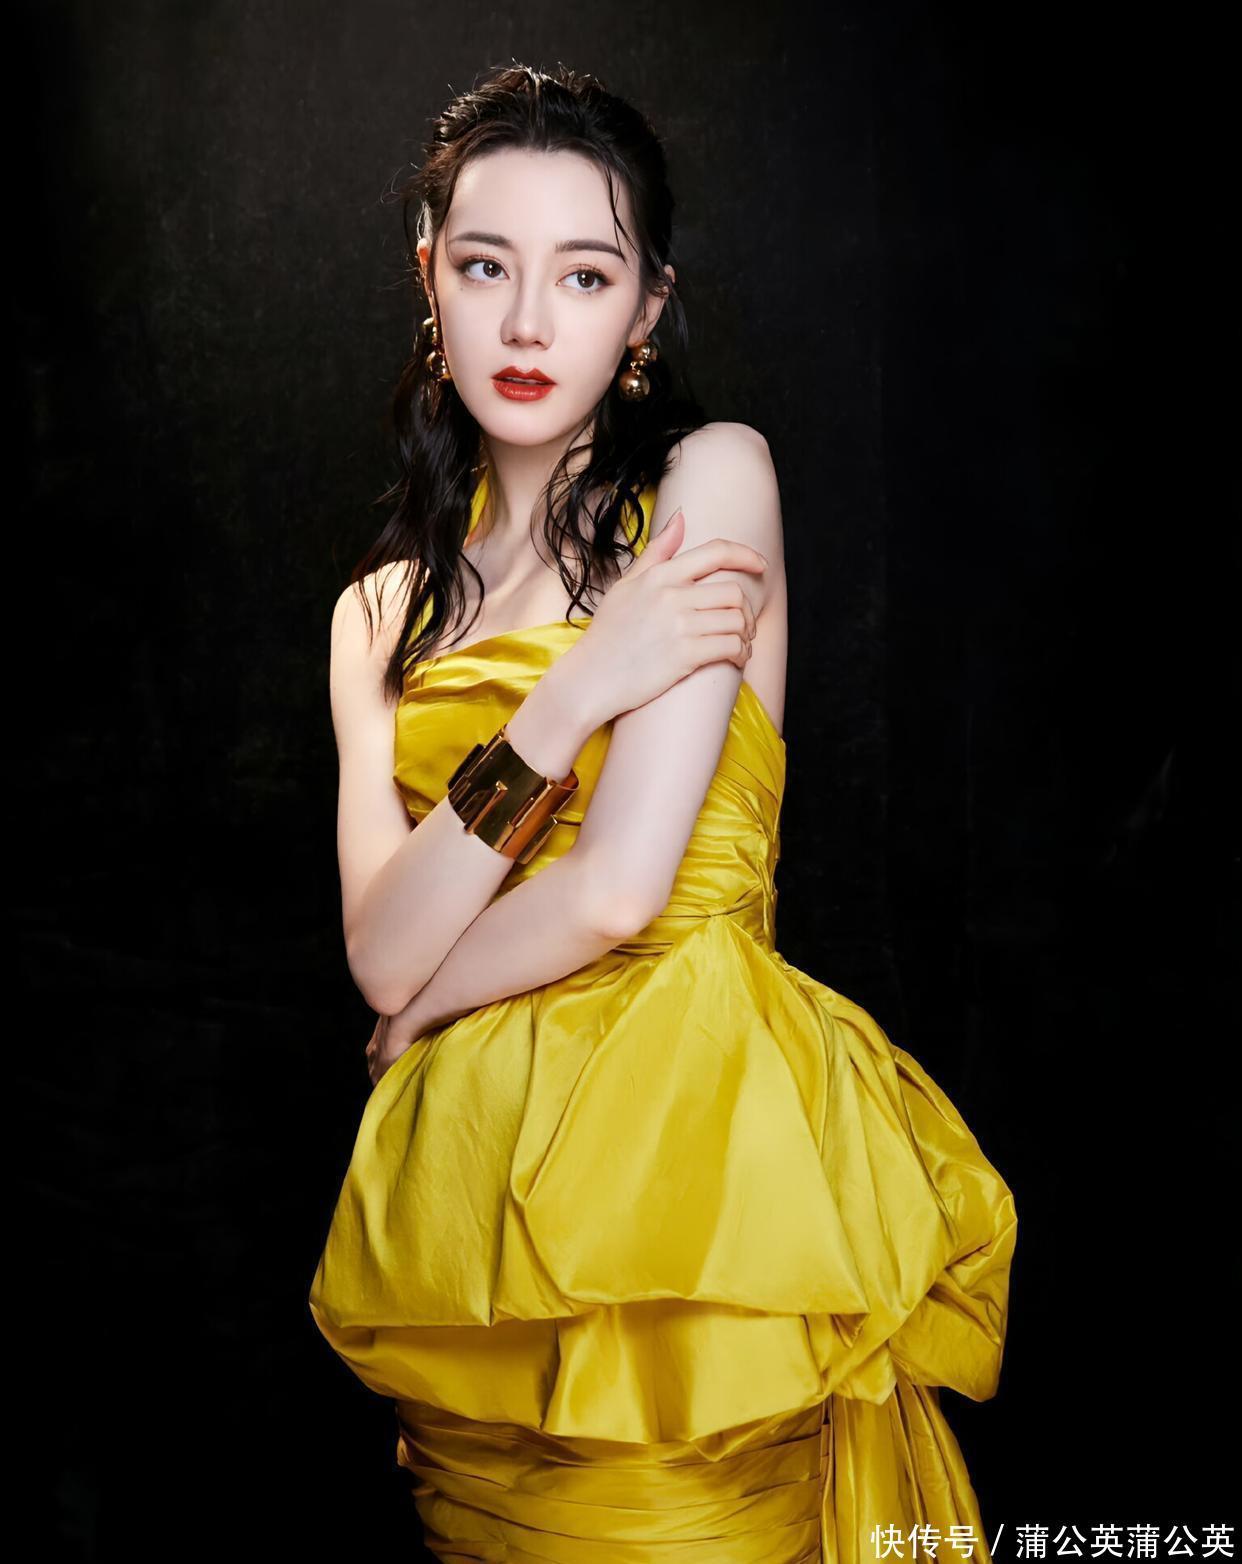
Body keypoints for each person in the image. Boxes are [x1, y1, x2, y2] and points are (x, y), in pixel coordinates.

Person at [309, 62, 1017, 1564]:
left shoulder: (711, 477)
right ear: (428, 279)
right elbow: (375, 952)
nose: (526, 322)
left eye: (585, 275)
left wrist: (422, 995)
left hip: (688, 1150)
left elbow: (621, 890)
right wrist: (573, 695)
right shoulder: (377, 613)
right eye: (486, 266)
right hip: (468, 1205)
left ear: (646, 310)